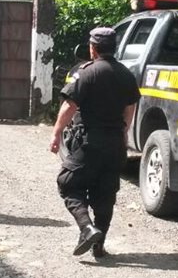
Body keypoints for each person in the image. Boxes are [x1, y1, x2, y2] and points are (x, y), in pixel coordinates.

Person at [49, 27, 140, 258]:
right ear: (114, 47)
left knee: (68, 183)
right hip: (115, 144)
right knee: (105, 194)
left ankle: (87, 228)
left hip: (90, 141)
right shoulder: (126, 74)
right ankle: (99, 246)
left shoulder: (86, 72)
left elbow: (69, 105)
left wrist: (56, 133)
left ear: (93, 48)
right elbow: (130, 106)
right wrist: (124, 131)